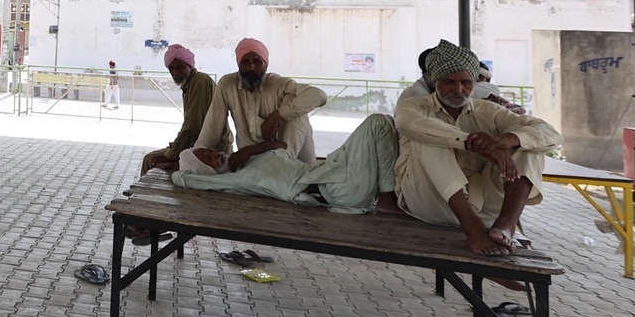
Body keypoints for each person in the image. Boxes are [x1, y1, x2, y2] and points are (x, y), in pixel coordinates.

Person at [393, 40, 561, 256]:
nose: (459, 89)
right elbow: (407, 124)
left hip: (486, 208)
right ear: (436, 82)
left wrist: (508, 140)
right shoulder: (416, 105)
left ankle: (507, 224)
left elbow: (551, 134)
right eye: (449, 82)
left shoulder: (489, 111)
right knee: (428, 137)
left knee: (529, 143)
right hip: (429, 202)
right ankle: (473, 230)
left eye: (466, 82)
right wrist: (473, 143)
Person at [172, 113, 403, 215]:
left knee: (389, 124)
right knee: (378, 123)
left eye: (212, 151)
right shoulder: (231, 181)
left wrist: (251, 149)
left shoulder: (244, 161)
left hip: (332, 174)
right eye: (208, 160)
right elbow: (182, 178)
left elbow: (281, 146)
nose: (216, 156)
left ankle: (391, 193)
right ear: (204, 171)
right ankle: (386, 198)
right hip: (335, 189)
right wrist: (175, 164)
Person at [190, 38, 327, 171]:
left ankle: (284, 164)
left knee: (295, 101)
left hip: (291, 159)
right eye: (246, 62)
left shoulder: (278, 84)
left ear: (266, 65)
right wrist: (192, 159)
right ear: (238, 64)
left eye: (257, 62)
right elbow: (212, 127)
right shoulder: (227, 84)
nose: (251, 67)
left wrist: (278, 116)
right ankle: (278, 168)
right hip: (251, 160)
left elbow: (319, 95)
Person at [139, 45, 230, 174]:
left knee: (151, 160)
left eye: (180, 67)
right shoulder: (189, 84)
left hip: (213, 150)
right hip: (199, 146)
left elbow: (192, 126)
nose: (175, 72)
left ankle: (142, 194)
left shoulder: (200, 81)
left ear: (190, 66)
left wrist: (171, 154)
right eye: (172, 68)